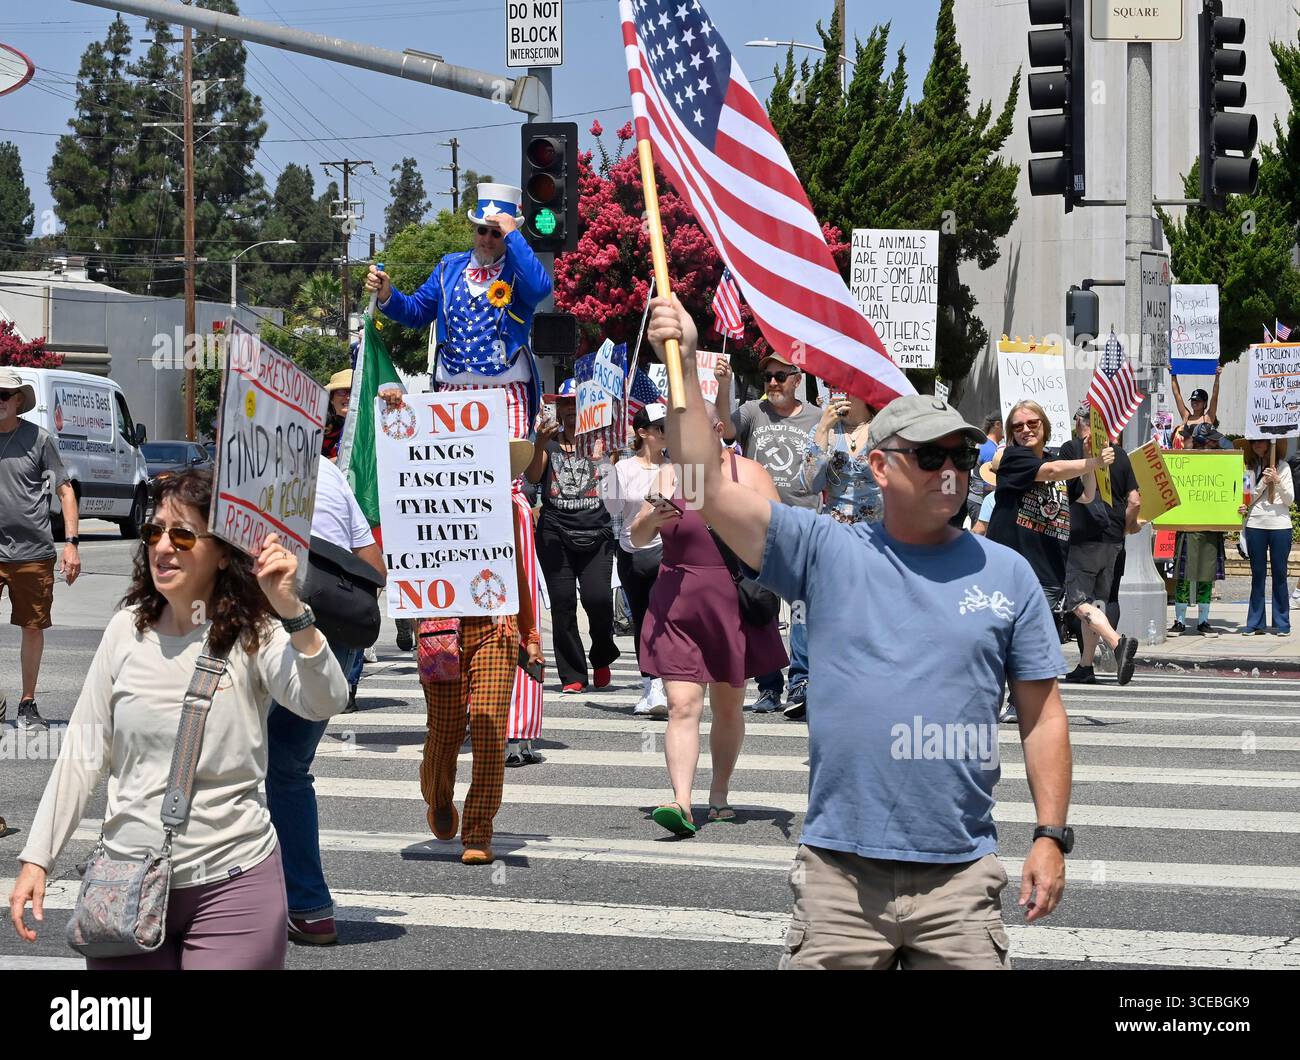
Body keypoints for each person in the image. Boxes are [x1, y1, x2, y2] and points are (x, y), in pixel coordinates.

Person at [645, 296, 1072, 969]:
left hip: (959, 879)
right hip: (839, 878)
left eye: (960, 452)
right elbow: (703, 485)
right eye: (931, 456)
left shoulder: (1009, 574)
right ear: (880, 467)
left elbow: (1043, 715)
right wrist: (686, 364)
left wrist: (1051, 834)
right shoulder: (824, 548)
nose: (952, 469)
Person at [9, 469, 349, 968]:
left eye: (183, 534)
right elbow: (84, 752)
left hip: (233, 885)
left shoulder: (255, 632)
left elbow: (324, 700)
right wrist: (38, 857)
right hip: (125, 885)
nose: (163, 546)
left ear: (223, 550)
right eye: (154, 531)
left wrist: (292, 612)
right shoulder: (126, 630)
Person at [629, 401, 786, 836]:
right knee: (682, 705)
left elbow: (780, 536)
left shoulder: (750, 473)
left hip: (730, 602)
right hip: (676, 602)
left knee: (728, 707)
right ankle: (681, 801)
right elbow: (637, 538)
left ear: (718, 428)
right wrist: (650, 517)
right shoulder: (670, 474)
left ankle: (719, 794)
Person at [268, 457, 385, 946]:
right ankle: (308, 907)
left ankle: (199, 895)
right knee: (287, 768)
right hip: (331, 630)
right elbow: (373, 563)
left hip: (263, 620)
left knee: (212, 757)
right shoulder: (332, 473)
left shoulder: (242, 462)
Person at [419, 441, 544, 865]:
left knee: (490, 730)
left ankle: (478, 828)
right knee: (446, 731)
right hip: (440, 625)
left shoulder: (510, 511)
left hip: (496, 625)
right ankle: (437, 795)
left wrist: (530, 634)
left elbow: (520, 572)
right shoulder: (421, 503)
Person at [364, 183, 551, 440]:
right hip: (451, 394)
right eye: (482, 230)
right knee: (454, 477)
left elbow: (541, 288)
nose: (487, 238)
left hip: (505, 394)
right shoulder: (448, 268)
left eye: (496, 234)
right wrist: (387, 293)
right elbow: (416, 311)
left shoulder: (519, 273)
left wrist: (513, 235)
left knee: (507, 477)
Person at [715, 351, 818, 714]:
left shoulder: (818, 418)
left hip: (804, 524)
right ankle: (768, 684)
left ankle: (801, 682)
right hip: (758, 527)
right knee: (759, 606)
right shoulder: (752, 412)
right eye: (768, 377)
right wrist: (725, 384)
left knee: (803, 607)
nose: (773, 382)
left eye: (780, 375)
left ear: (797, 379)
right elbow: (725, 430)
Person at [525, 379, 619, 693]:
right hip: (555, 532)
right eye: (564, 403)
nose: (570, 410)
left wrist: (609, 455)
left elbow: (615, 489)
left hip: (597, 532)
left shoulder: (604, 441)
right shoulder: (547, 441)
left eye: (577, 404)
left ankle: (602, 654)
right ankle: (573, 674)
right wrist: (538, 443)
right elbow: (533, 477)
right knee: (563, 603)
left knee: (599, 600)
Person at [0, 370, 81, 732]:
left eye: (5, 394)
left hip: (33, 552)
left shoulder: (39, 439)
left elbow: (65, 491)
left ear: (18, 400)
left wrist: (72, 545)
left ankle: (27, 702)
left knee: (32, 627)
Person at [1057, 403, 1142, 685]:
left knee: (1078, 602)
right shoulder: (1119, 454)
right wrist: (1128, 528)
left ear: (1081, 422)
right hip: (1115, 539)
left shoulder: (1071, 449)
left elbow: (1063, 485)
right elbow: (1134, 500)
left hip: (1084, 537)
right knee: (1096, 604)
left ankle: (1118, 644)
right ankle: (1085, 665)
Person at [603, 402, 670, 717]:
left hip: (668, 552)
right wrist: (606, 470)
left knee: (666, 618)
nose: (666, 433)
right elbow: (614, 509)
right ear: (643, 432)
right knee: (643, 619)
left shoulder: (678, 466)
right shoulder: (624, 468)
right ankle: (650, 685)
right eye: (660, 428)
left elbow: (694, 504)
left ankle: (669, 681)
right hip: (632, 553)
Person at [1169, 424, 1230, 636]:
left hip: (1211, 525)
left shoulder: (1223, 463)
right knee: (1183, 577)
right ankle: (1179, 621)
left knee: (1206, 575)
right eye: (1212, 441)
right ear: (1202, 442)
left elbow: (1234, 489)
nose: (1217, 444)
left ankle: (1203, 621)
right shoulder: (1182, 463)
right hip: (1187, 525)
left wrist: (1237, 507)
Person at [795, 391, 882, 526]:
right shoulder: (824, 430)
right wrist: (823, 429)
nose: (834, 391)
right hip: (836, 532)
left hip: (876, 533)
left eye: (843, 385)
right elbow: (810, 485)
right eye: (831, 385)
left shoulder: (883, 430)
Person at [1240, 439, 1293, 636]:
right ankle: (1255, 623)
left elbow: (1289, 500)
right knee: (1258, 575)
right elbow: (1247, 497)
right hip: (1256, 524)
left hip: (1280, 524)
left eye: (1260, 443)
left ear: (1270, 446)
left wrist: (1277, 481)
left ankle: (1282, 623)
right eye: (1254, 443)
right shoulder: (1249, 468)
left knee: (1280, 574)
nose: (1256, 446)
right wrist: (1262, 482)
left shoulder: (1284, 467)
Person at [1170, 366, 1222, 449]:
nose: (1195, 402)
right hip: (1187, 457)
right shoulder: (1186, 416)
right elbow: (1177, 394)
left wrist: (1217, 376)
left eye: (1198, 400)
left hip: (1202, 458)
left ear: (1205, 403)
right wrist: (1173, 374)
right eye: (1193, 400)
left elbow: (1214, 396)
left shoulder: (1208, 417)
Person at [966, 412, 1003, 526]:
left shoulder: (986, 444)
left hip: (977, 501)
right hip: (980, 502)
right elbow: (988, 483)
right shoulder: (989, 449)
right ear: (997, 424)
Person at [321, 369, 352, 462]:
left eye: (352, 392)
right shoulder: (319, 426)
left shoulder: (371, 426)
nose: (348, 397)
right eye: (342, 391)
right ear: (331, 399)